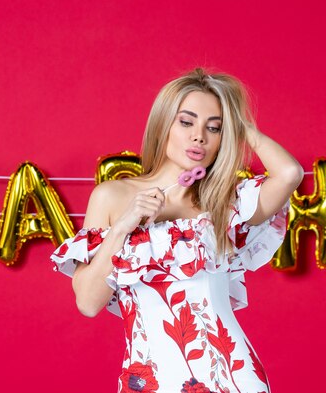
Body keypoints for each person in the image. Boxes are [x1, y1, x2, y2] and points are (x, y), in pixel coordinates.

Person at [50, 68, 303, 393]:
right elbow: (87, 302)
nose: (199, 136)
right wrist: (123, 228)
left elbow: (290, 173)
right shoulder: (113, 196)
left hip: (233, 377)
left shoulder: (225, 204)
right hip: (150, 379)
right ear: (164, 124)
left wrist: (240, 125)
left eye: (214, 128)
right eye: (186, 122)